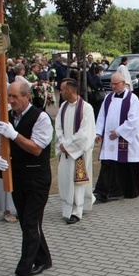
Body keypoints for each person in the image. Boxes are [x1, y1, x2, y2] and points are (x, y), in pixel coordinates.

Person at [0, 80, 54, 276]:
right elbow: (4, 145)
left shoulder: (42, 118)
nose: (11, 101)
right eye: (9, 97)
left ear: (26, 97)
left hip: (37, 179)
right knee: (28, 223)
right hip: (18, 178)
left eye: (14, 97)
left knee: (30, 223)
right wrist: (0, 158)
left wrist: (14, 134)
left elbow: (36, 148)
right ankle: (44, 259)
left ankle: (22, 274)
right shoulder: (10, 117)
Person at [94, 73, 139, 201]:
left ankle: (123, 191)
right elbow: (101, 116)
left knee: (124, 166)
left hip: (125, 139)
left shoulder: (133, 99)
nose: (113, 86)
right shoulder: (108, 98)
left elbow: (134, 121)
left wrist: (118, 132)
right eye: (112, 84)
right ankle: (103, 192)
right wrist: (98, 133)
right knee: (107, 165)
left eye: (115, 84)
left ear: (123, 83)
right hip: (109, 139)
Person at [54, 78, 96, 224]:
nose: (60, 92)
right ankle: (67, 208)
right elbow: (58, 127)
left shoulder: (86, 108)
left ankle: (77, 211)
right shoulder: (63, 107)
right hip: (65, 151)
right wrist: (61, 143)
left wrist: (68, 146)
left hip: (79, 153)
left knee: (78, 181)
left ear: (69, 91)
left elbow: (85, 133)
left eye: (61, 89)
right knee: (66, 179)